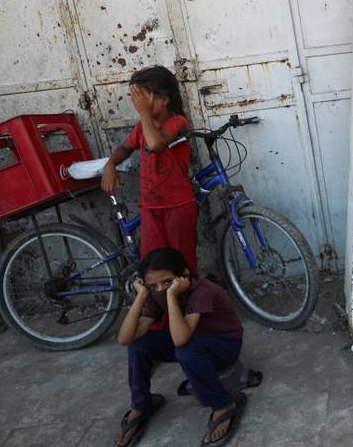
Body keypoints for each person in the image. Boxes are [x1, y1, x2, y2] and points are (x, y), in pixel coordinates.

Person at [113, 248, 247, 446]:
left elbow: (181, 340)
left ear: (184, 275)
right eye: (152, 286)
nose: (160, 289)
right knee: (139, 343)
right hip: (193, 340)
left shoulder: (202, 290)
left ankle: (223, 405)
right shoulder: (155, 292)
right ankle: (141, 404)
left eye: (167, 282)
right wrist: (141, 296)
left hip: (224, 346)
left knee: (185, 349)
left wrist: (170, 297)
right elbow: (125, 339)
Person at [101, 66, 199, 274]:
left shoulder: (178, 122)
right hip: (150, 208)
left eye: (143, 98)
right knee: (153, 268)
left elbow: (156, 143)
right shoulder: (141, 128)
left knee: (182, 266)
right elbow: (125, 148)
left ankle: (186, 305)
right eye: (135, 99)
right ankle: (162, 306)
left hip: (178, 206)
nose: (138, 104)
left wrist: (144, 113)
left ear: (164, 99)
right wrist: (110, 165)